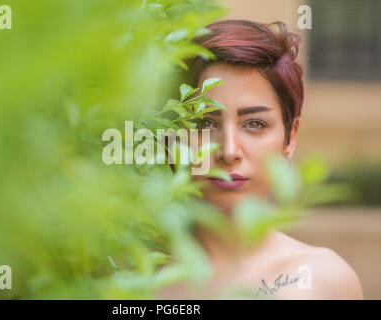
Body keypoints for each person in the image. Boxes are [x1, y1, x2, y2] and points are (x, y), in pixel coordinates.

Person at [155, 19, 364, 300]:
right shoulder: (135, 283)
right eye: (204, 124)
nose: (229, 151)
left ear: (290, 138)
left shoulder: (325, 281)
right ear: (174, 137)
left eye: (254, 124)